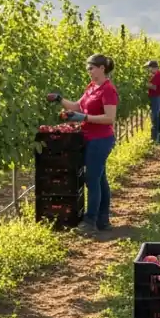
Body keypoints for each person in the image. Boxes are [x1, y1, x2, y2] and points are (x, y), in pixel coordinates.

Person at [47, 54, 119, 234]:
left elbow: (110, 118)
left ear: (102, 68)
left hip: (101, 140)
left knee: (92, 179)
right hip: (89, 138)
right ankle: (103, 221)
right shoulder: (92, 87)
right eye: (88, 68)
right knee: (100, 179)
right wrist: (60, 99)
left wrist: (84, 118)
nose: (89, 71)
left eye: (91, 68)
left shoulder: (108, 90)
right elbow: (77, 106)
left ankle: (90, 221)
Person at [145, 59, 160, 145]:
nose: (148, 70)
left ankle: (155, 139)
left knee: (155, 119)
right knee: (158, 118)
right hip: (159, 98)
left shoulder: (158, 74)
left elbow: (154, 87)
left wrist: (146, 84)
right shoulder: (159, 74)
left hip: (157, 99)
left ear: (153, 67)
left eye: (149, 68)